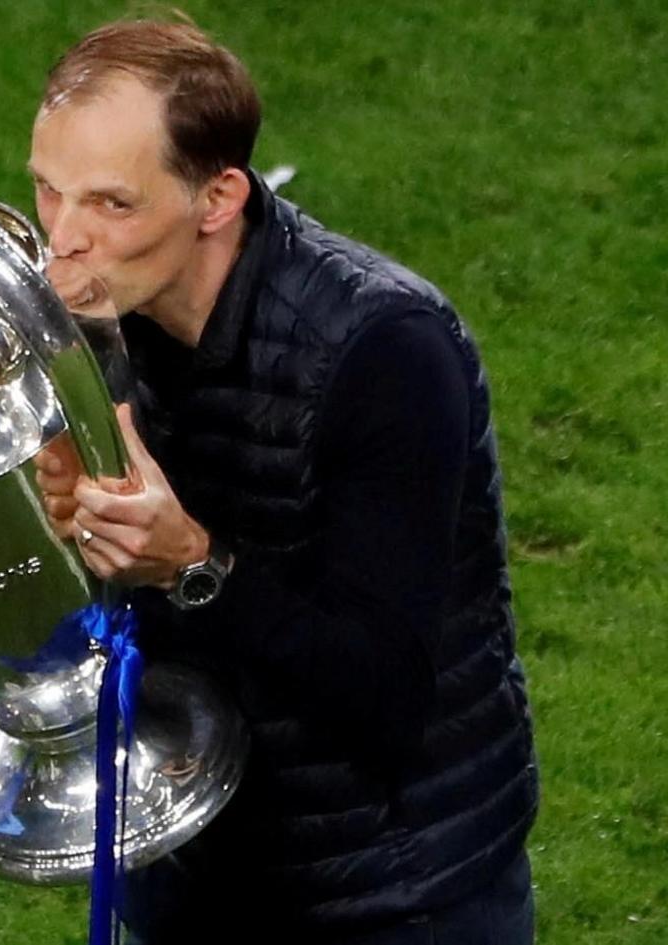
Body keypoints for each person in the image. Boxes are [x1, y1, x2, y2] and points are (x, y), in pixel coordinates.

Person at [28, 18, 541, 944]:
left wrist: (191, 560)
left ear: (217, 196)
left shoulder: (385, 352)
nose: (63, 242)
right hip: (188, 875)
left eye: (110, 205)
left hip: (390, 896)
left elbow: (383, 691)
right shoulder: (87, 328)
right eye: (46, 191)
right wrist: (60, 529)